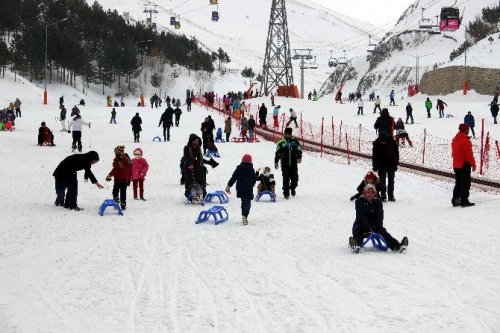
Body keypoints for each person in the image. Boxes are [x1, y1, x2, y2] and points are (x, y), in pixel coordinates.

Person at [349, 184, 408, 253]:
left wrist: (379, 227)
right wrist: (366, 227)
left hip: (374, 224)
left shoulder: (378, 202)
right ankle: (356, 245)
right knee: (358, 232)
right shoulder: (359, 201)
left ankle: (397, 246)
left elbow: (380, 215)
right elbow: (361, 215)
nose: (370, 194)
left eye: (372, 192)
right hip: (361, 223)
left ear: (374, 193)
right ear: (364, 193)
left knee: (384, 234)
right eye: (368, 192)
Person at [182, 134, 218, 199]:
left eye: (197, 141)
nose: (196, 142)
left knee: (201, 180)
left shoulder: (198, 148)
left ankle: (202, 193)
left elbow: (200, 159)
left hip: (197, 167)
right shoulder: (187, 148)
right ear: (191, 141)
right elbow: (187, 158)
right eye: (195, 141)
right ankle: (189, 195)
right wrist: (190, 164)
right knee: (189, 182)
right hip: (188, 167)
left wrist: (210, 162)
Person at [226, 154, 257, 225]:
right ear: (250, 161)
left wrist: (229, 186)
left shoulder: (239, 168)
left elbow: (233, 178)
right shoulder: (251, 169)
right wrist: (252, 184)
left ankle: (243, 215)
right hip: (248, 188)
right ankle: (245, 215)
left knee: (243, 201)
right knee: (248, 203)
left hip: (240, 188)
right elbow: (254, 179)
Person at [451, 123, 476, 207]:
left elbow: (453, 153)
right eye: (468, 129)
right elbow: (469, 155)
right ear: (466, 130)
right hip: (464, 164)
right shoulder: (466, 141)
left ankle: (455, 199)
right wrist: (473, 164)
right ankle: (464, 201)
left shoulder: (455, 139)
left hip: (456, 164)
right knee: (465, 183)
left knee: (458, 183)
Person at [275, 127, 302, 199]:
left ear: (291, 134)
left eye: (289, 134)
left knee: (295, 178)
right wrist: (276, 162)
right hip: (284, 164)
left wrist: (299, 157)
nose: (287, 135)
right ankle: (286, 193)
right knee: (286, 179)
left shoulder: (295, 142)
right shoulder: (281, 142)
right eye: (286, 134)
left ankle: (292, 188)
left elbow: (299, 150)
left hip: (293, 163)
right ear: (284, 134)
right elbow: (278, 153)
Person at [372, 132, 399, 202]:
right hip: (381, 165)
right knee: (382, 181)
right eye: (382, 142)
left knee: (391, 181)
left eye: (384, 142)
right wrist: (375, 166)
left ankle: (391, 196)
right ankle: (383, 196)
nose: (383, 143)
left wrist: (396, 164)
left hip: (391, 164)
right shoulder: (376, 144)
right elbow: (374, 156)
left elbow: (396, 153)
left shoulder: (392, 141)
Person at [105, 145, 132, 210]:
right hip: (125, 179)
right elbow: (130, 169)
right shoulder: (127, 158)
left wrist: (109, 175)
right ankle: (123, 204)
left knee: (115, 190)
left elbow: (115, 169)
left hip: (118, 179)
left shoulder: (117, 160)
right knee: (123, 192)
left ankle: (116, 200)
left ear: (116, 152)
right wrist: (129, 178)